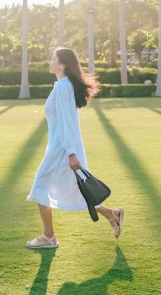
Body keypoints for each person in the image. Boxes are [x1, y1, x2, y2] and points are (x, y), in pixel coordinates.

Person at [26, 47, 124, 249]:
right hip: (61, 146)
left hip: (62, 149)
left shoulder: (63, 87)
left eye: (53, 58)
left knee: (40, 188)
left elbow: (66, 123)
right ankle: (112, 215)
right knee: (76, 190)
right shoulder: (63, 85)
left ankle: (49, 237)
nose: (49, 61)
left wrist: (71, 152)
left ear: (62, 64)